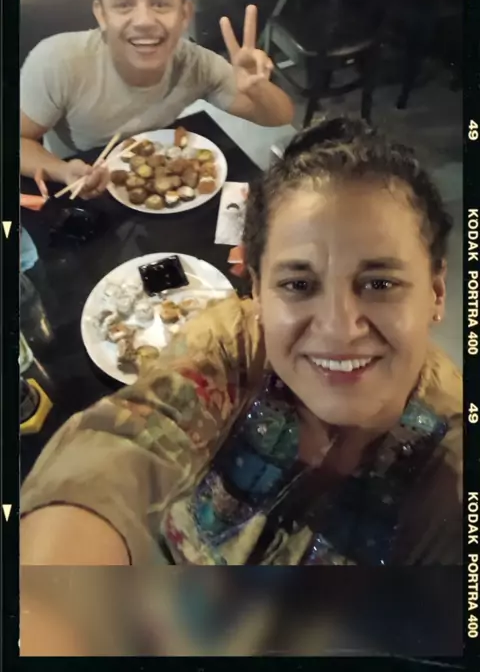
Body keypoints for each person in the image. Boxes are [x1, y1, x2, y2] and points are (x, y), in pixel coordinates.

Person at [20, 116, 461, 567]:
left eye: (380, 284)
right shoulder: (234, 343)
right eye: (298, 285)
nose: (339, 328)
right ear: (257, 290)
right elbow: (124, 443)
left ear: (436, 292)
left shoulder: (452, 459)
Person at [20, 0, 294, 199]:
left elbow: (281, 116)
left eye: (160, 3)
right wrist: (61, 170)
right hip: (82, 189)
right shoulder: (58, 62)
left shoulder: (197, 64)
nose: (144, 21)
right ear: (101, 14)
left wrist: (258, 89)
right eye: (124, 4)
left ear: (184, 14)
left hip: (156, 178)